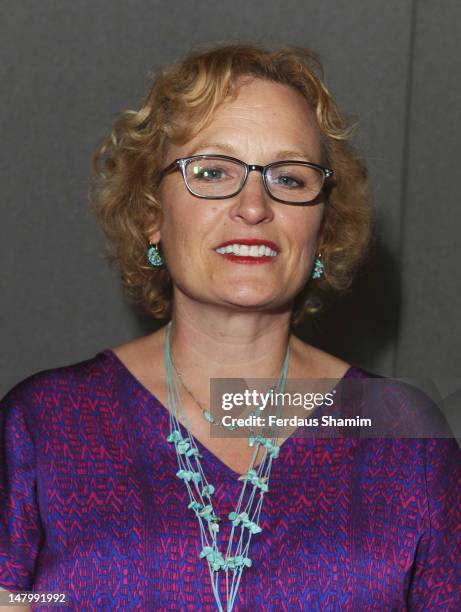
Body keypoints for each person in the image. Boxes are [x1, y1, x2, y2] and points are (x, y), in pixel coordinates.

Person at [1, 44, 460, 611]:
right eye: (212, 171)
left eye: (289, 179)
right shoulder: (44, 423)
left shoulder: (398, 432)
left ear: (323, 225)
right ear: (151, 214)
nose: (252, 206)